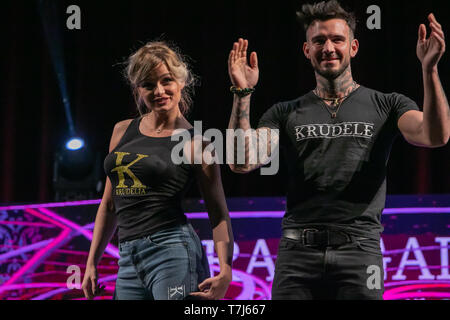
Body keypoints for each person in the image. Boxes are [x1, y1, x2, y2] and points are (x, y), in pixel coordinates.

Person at [227, 0, 448, 299]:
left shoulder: (388, 104)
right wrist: (242, 93)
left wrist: (430, 69)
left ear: (353, 47)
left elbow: (434, 135)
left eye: (337, 39)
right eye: (319, 40)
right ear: (307, 51)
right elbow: (242, 162)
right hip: (296, 254)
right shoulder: (284, 112)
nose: (328, 47)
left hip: (360, 252)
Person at [82, 41, 234, 300]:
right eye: (148, 85)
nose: (159, 91)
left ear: (182, 81)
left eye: (166, 81)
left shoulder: (198, 143)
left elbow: (218, 212)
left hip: (172, 251)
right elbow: (109, 205)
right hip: (127, 258)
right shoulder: (122, 130)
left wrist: (226, 271)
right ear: (138, 89)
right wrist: (91, 262)